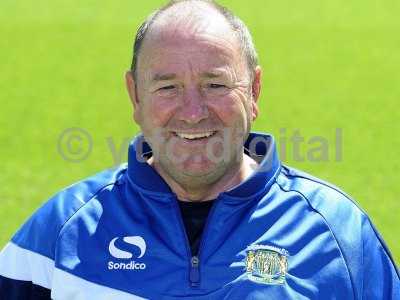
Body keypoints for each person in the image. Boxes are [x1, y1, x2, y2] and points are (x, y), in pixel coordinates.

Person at [0, 0, 398, 299]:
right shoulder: (59, 234)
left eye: (216, 84)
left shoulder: (339, 236)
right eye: (168, 87)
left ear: (254, 92)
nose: (192, 113)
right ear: (135, 96)